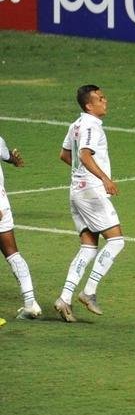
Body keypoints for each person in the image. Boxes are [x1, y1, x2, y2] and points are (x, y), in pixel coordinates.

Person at [54, 85, 125, 323]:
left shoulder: (75, 125)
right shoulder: (91, 126)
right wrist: (104, 179)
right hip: (92, 192)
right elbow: (84, 155)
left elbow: (66, 155)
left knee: (88, 248)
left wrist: (81, 176)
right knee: (116, 241)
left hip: (76, 191)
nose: (105, 101)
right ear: (89, 105)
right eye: (100, 98)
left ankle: (64, 299)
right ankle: (89, 291)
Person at [0, 134, 41, 320]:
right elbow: (6, 155)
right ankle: (30, 303)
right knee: (12, 253)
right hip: (2, 203)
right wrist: (14, 160)